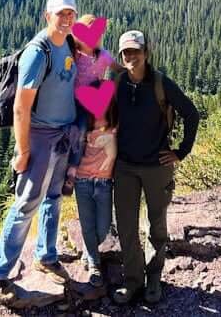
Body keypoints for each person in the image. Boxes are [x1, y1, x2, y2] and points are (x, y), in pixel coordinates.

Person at [0, 0, 78, 300]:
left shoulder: (69, 45)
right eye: (60, 13)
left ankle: (47, 255)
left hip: (62, 135)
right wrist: (23, 151)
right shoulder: (38, 52)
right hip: (39, 137)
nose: (66, 18)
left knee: (53, 198)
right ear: (46, 16)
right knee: (26, 204)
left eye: (70, 13)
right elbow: (21, 109)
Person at [111, 30, 199, 306]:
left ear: (146, 53)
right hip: (124, 166)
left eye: (136, 51)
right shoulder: (117, 83)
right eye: (126, 52)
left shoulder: (162, 84)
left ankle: (154, 279)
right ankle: (133, 281)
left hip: (156, 167)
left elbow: (191, 114)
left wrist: (180, 152)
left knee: (156, 225)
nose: (131, 56)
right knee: (126, 226)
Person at [69, 15, 119, 287]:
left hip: (97, 107)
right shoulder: (72, 55)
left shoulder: (104, 56)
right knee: (77, 143)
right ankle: (92, 260)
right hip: (77, 110)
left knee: (101, 227)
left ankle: (93, 252)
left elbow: (118, 73)